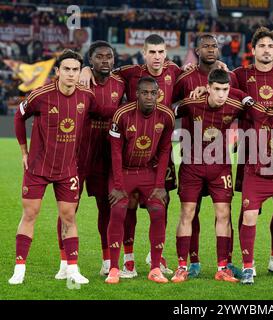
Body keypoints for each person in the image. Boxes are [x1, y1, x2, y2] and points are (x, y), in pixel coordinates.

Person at [9, 49, 114, 285]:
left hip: (68, 170)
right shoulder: (41, 95)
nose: (71, 74)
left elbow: (104, 112)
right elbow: (19, 116)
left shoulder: (86, 96)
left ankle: (72, 269)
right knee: (30, 214)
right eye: (66, 69)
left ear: (80, 72)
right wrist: (24, 151)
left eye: (75, 69)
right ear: (58, 72)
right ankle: (19, 269)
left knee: (69, 218)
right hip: (38, 167)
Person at [80, 34, 181, 277]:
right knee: (128, 206)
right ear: (144, 54)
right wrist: (85, 68)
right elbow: (104, 70)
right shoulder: (129, 73)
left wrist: (218, 66)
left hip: (158, 153)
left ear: (165, 53)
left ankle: (155, 256)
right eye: (152, 52)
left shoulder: (176, 71)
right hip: (130, 150)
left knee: (162, 204)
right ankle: (127, 259)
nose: (157, 57)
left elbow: (199, 75)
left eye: (161, 52)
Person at [171, 69, 251, 283]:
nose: (222, 94)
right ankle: (181, 266)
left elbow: (258, 115)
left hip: (221, 168)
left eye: (225, 89)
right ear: (208, 88)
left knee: (224, 214)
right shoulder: (193, 103)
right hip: (192, 165)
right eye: (217, 89)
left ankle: (223, 268)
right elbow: (169, 111)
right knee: (187, 213)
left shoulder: (234, 106)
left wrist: (239, 93)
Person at [54, 41, 125, 279]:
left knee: (107, 208)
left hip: (105, 157)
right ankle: (65, 262)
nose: (105, 60)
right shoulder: (80, 80)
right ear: (90, 61)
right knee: (68, 209)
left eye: (109, 56)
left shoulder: (120, 83)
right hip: (78, 154)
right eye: (99, 57)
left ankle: (107, 261)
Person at [233, 27, 273, 276]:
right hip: (251, 149)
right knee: (249, 208)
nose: (266, 50)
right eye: (262, 46)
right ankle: (244, 259)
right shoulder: (240, 74)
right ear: (253, 49)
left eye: (270, 46)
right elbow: (229, 93)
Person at [105, 77, 174, 284]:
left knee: (158, 210)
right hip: (123, 172)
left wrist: (160, 185)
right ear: (136, 94)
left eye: (153, 93)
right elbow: (115, 153)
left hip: (147, 172)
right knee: (118, 210)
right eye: (145, 93)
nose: (150, 97)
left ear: (158, 94)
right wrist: (117, 186)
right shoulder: (122, 114)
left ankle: (155, 268)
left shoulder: (166, 115)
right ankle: (114, 268)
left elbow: (164, 152)